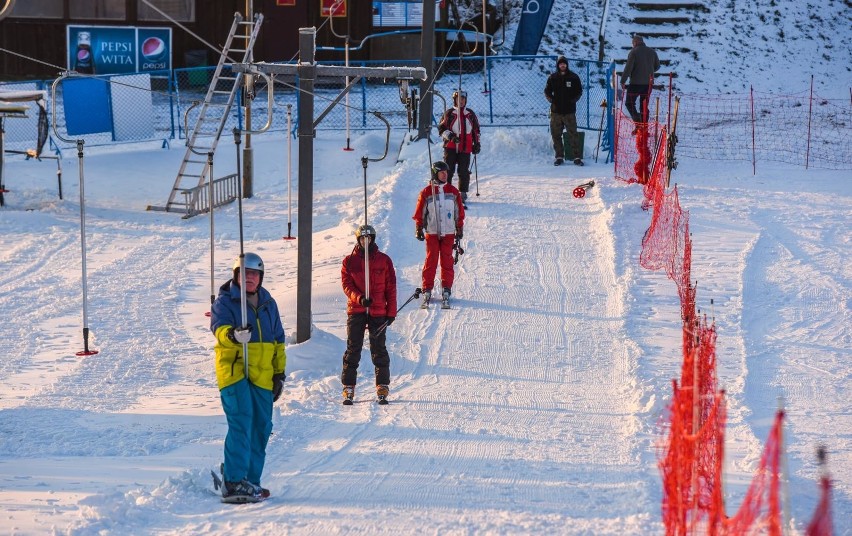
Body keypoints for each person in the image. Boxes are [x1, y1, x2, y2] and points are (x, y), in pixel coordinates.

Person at [210, 252, 287, 502]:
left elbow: (278, 341)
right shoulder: (226, 301)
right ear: (236, 276)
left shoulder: (269, 303)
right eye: (244, 273)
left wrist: (279, 374)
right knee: (242, 421)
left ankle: (250, 480)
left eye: (254, 274)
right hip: (234, 371)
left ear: (260, 277)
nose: (250, 278)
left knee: (262, 427)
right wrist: (232, 335)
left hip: (263, 375)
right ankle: (233, 481)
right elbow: (219, 329)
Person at [340, 225, 398, 405]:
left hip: (378, 311)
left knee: (378, 348)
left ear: (373, 239)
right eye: (362, 239)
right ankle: (348, 386)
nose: (366, 242)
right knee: (353, 348)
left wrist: (391, 312)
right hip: (356, 310)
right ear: (358, 240)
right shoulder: (349, 262)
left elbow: (391, 287)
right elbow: (346, 285)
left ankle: (382, 385)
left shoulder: (384, 260)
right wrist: (359, 298)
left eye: (369, 238)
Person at [413, 160, 465, 305]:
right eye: (442, 172)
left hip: (448, 233)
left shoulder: (453, 192)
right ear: (435, 173)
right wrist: (418, 227)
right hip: (432, 232)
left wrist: (459, 227)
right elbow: (420, 213)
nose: (445, 175)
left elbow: (458, 212)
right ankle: (427, 288)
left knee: (447, 261)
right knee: (431, 260)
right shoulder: (426, 192)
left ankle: (446, 288)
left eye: (446, 172)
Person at [438, 90, 481, 205]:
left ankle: (462, 193)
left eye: (463, 99)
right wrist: (450, 136)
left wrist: (476, 144)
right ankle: (447, 191)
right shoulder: (449, 113)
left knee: (463, 170)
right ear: (454, 100)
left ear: (465, 100)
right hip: (450, 147)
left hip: (465, 148)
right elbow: (441, 129)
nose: (460, 101)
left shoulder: (470, 114)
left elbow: (476, 131)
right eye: (458, 99)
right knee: (448, 169)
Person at [544, 56, 584, 167]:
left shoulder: (574, 77)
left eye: (564, 64)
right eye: (560, 64)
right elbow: (547, 91)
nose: (562, 65)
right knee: (556, 135)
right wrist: (551, 100)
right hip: (556, 112)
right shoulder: (553, 77)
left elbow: (579, 91)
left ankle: (577, 157)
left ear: (567, 65)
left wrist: (573, 100)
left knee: (573, 134)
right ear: (558, 65)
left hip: (569, 112)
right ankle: (559, 157)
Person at [620, 34, 660, 123]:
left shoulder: (633, 52)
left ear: (636, 42)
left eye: (633, 43)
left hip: (635, 84)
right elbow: (657, 66)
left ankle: (638, 122)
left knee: (629, 103)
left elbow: (628, 68)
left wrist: (623, 81)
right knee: (644, 106)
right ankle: (644, 126)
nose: (632, 45)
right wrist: (649, 71)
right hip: (648, 85)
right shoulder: (652, 52)